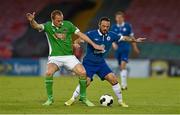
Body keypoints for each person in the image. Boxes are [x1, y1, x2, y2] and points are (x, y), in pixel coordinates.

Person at [26, 10, 104, 106]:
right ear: (53, 20)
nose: (60, 22)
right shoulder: (48, 26)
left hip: (69, 57)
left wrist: (94, 44)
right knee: (48, 73)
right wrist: (31, 21)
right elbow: (36, 26)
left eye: (61, 20)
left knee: (83, 73)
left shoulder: (68, 25)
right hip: (55, 57)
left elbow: (81, 35)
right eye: (58, 21)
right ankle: (50, 99)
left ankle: (83, 97)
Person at [65, 17, 145, 107]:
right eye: (103, 26)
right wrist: (76, 43)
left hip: (101, 63)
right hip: (89, 63)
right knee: (86, 82)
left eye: (107, 26)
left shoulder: (111, 35)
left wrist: (135, 40)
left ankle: (120, 101)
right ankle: (72, 99)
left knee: (113, 78)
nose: (105, 28)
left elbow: (124, 38)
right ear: (99, 25)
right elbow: (78, 40)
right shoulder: (91, 34)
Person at [111, 11, 140, 90]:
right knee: (121, 66)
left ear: (123, 18)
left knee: (123, 65)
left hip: (125, 47)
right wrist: (113, 44)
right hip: (117, 49)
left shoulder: (128, 26)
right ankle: (124, 84)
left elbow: (132, 37)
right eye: (117, 18)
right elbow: (111, 38)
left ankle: (124, 85)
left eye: (120, 17)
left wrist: (135, 47)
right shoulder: (113, 27)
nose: (119, 19)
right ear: (115, 18)